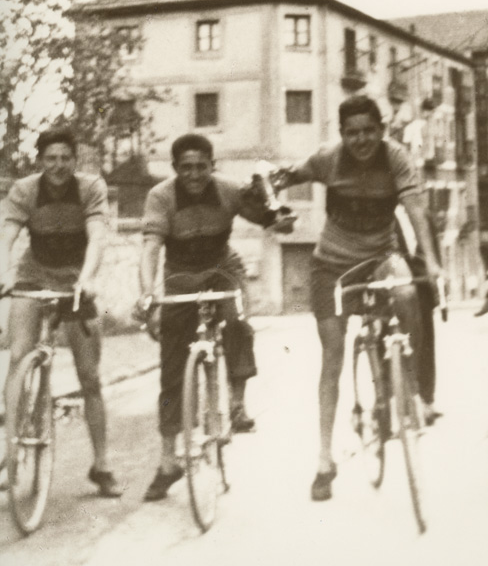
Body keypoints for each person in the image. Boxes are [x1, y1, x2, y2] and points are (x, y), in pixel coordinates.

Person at [274, 94, 442, 502]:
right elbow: (281, 178)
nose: (362, 140)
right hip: (330, 266)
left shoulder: (396, 158)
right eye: (352, 133)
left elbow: (416, 211)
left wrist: (431, 261)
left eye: (369, 131)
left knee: (407, 289)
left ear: (382, 130)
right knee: (332, 356)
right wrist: (272, 206)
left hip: (380, 258)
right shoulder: (328, 159)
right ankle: (324, 460)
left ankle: (414, 388)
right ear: (341, 134)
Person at [135, 133, 293, 501]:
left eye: (201, 167)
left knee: (238, 321)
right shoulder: (161, 197)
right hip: (179, 275)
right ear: (175, 169)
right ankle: (168, 461)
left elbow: (266, 216)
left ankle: (237, 405)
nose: (194, 174)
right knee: (172, 364)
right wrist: (148, 294)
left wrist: (280, 219)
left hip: (222, 266)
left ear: (212, 166)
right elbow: (150, 249)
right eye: (186, 168)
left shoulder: (228, 190)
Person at [0, 128, 122, 497]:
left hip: (75, 279)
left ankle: (101, 465)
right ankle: (11, 449)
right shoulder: (24, 190)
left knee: (89, 377)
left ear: (74, 160)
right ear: (40, 161)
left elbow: (98, 236)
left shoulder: (90, 188)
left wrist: (86, 279)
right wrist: (4, 274)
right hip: (33, 274)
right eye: (50, 159)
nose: (57, 166)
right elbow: (6, 236)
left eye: (64, 158)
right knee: (19, 354)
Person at [395, 200, 445, 425]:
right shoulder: (382, 213)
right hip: (394, 285)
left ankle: (427, 401)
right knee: (396, 342)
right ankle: (401, 406)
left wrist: (439, 286)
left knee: (426, 342)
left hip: (423, 284)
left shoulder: (424, 213)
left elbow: (434, 251)